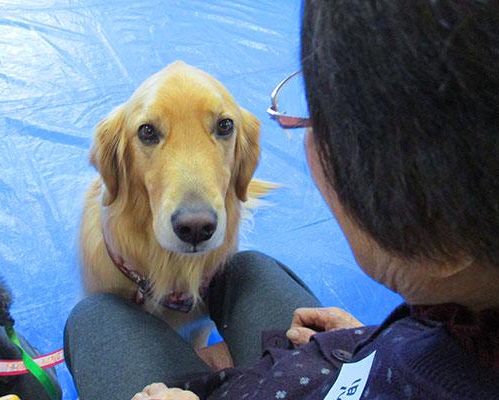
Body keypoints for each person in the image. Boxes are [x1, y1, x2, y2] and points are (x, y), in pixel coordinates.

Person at [64, 0, 499, 398]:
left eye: (320, 115)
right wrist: (368, 340)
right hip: (337, 362)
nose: (306, 139)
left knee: (96, 317)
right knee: (247, 269)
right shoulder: (466, 315)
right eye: (149, 132)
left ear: (450, 220)